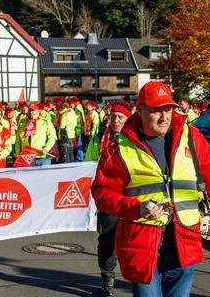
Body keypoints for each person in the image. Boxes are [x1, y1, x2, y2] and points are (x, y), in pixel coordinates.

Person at [92, 81, 210, 297]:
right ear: (139, 111)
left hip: (184, 244)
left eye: (168, 109)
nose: (164, 117)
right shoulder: (119, 149)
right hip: (142, 248)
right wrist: (136, 208)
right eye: (155, 111)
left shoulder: (191, 137)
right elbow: (103, 194)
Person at [90, 101, 132, 296]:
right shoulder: (100, 137)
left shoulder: (135, 139)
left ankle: (138, 280)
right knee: (107, 243)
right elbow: (90, 162)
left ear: (127, 119)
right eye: (113, 116)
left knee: (134, 243)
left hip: (131, 198)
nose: (116, 120)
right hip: (109, 200)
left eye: (120, 117)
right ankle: (107, 280)